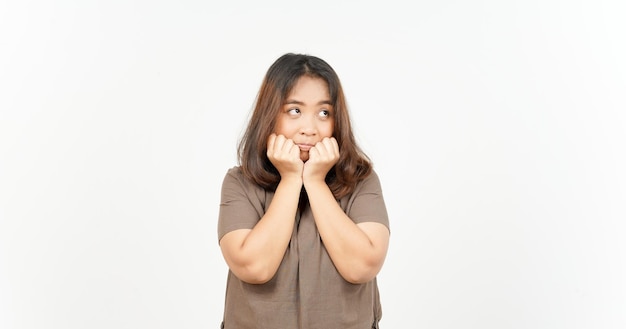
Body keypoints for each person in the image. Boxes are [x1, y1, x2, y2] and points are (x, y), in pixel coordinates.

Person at [217, 53, 390, 329]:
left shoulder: (362, 181)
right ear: (270, 115)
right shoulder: (240, 182)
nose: (310, 129)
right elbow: (254, 268)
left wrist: (316, 182)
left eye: (324, 113)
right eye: (294, 110)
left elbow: (362, 267)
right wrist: (289, 179)